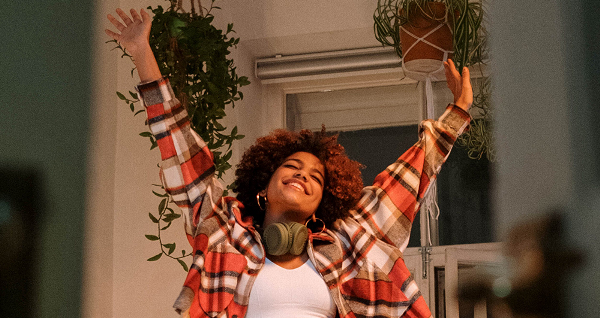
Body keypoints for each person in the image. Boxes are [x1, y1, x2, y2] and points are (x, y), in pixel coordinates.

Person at [106, 8, 472, 318]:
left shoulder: (350, 239)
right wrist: (142, 53)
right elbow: (182, 153)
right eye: (293, 167)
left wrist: (456, 115)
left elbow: (405, 181)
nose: (303, 175)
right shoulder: (223, 230)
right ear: (264, 184)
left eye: (316, 176)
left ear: (321, 204)